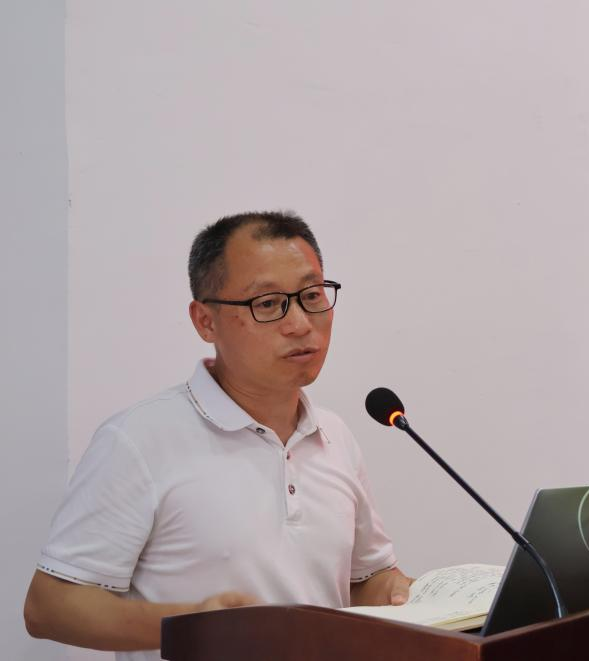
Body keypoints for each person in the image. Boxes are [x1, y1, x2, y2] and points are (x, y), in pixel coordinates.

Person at [23, 211, 411, 660]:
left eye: (311, 296)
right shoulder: (138, 440)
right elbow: (48, 607)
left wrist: (402, 592)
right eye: (268, 303)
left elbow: (364, 579)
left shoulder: (334, 435)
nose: (301, 323)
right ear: (205, 321)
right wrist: (192, 621)